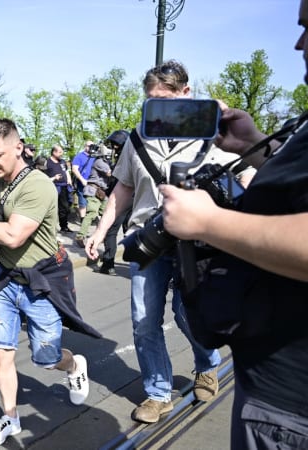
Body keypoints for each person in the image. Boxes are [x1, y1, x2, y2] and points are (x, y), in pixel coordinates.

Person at [158, 6, 308, 445]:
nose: (298, 44)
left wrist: (208, 222)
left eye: (306, 28)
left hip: (290, 413)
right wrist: (255, 145)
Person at [84, 60, 255, 425]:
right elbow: (124, 187)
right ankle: (158, 392)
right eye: (150, 101)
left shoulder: (213, 133)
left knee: (185, 314)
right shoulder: (137, 137)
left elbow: (246, 174)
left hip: (196, 243)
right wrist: (100, 231)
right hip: (147, 238)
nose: (155, 109)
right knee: (144, 321)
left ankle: (207, 364)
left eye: (164, 100)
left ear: (186, 95)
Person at [0, 119, 100, 447]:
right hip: (7, 279)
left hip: (42, 279)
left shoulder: (36, 185)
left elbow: (13, 235)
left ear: (18, 148)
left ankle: (74, 364)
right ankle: (10, 417)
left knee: (45, 358)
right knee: (2, 352)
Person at [98, 130, 131, 275]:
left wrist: (107, 191)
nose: (113, 147)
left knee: (111, 231)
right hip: (136, 199)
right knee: (131, 230)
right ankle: (136, 261)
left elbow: (119, 183)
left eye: (115, 145)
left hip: (122, 199)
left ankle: (108, 263)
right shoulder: (134, 156)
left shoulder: (123, 159)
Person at [74, 144, 112, 248]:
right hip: (93, 190)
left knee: (106, 213)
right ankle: (80, 236)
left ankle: (100, 234)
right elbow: (110, 173)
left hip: (101, 192)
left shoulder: (104, 162)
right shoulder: (99, 162)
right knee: (92, 213)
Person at [43, 145, 73, 233]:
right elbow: (43, 177)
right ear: (54, 152)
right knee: (52, 208)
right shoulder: (47, 162)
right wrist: (54, 177)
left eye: (62, 152)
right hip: (53, 187)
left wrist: (69, 179)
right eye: (59, 152)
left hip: (64, 187)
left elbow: (66, 171)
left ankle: (64, 226)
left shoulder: (62, 162)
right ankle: (49, 228)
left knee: (65, 207)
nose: (61, 154)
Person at [71, 141, 97, 222]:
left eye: (93, 146)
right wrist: (82, 180)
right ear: (85, 146)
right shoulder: (79, 157)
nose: (91, 148)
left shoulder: (95, 157)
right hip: (82, 182)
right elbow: (74, 169)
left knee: (93, 201)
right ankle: (83, 220)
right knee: (82, 201)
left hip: (93, 182)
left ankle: (91, 218)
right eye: (90, 146)